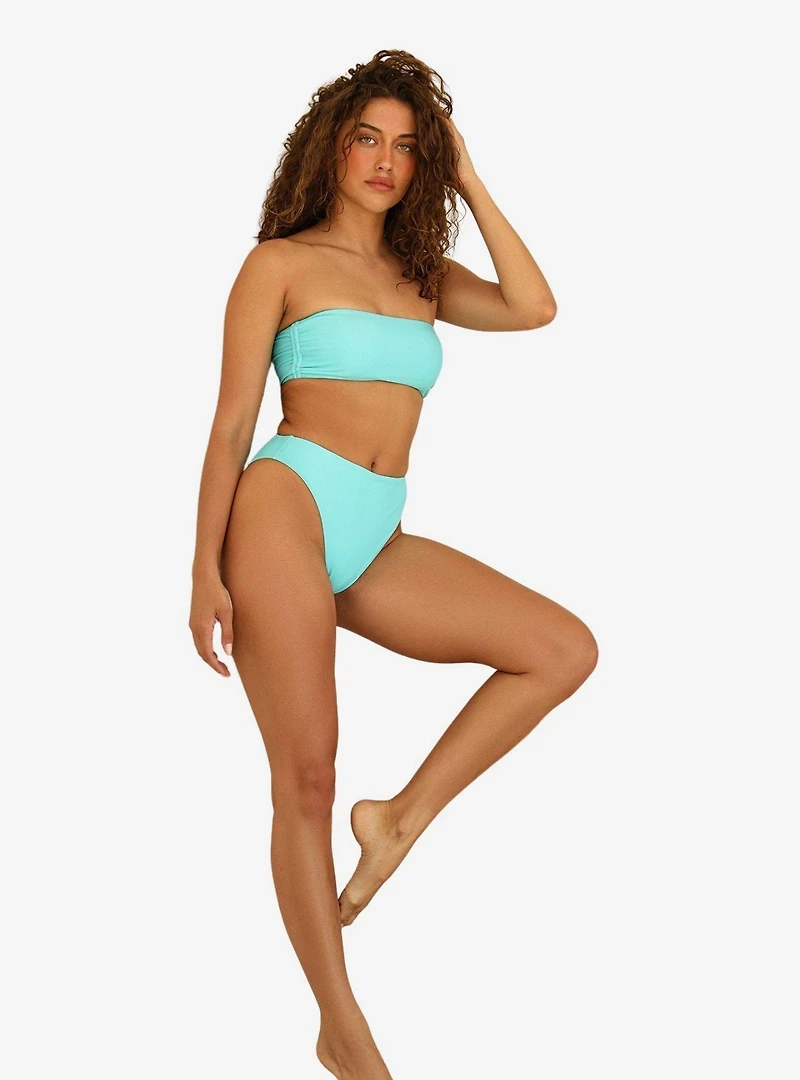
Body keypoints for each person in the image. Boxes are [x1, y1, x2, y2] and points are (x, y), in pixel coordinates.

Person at [189, 48, 598, 1080]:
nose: (384, 160)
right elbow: (232, 421)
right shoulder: (278, 264)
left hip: (374, 526)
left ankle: (398, 819)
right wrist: (201, 569)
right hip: (284, 503)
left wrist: (469, 174)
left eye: (409, 148)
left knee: (559, 650)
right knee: (307, 774)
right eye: (367, 138)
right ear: (330, 147)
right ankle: (342, 1029)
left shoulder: (422, 277)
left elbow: (534, 306)